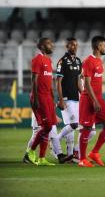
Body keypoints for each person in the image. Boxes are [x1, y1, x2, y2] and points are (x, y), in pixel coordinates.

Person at [24, 38, 66, 166]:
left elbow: (49, 81)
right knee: (46, 127)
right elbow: (34, 80)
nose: (51, 45)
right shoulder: (37, 59)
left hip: (48, 97)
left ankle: (42, 158)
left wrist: (53, 97)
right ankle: (30, 152)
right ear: (42, 46)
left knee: (49, 127)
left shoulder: (48, 60)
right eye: (49, 43)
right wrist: (36, 98)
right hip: (39, 97)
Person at [78, 36, 105, 167]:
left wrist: (98, 100)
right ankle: (82, 159)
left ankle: (94, 153)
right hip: (89, 99)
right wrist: (94, 100)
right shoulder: (88, 61)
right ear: (98, 46)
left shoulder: (99, 61)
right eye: (104, 45)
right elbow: (87, 84)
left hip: (99, 98)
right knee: (86, 128)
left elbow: (82, 77)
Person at [56, 38, 82, 162]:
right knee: (73, 125)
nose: (74, 47)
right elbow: (58, 82)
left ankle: (70, 155)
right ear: (66, 46)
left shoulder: (78, 61)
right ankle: (55, 140)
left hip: (76, 98)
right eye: (72, 45)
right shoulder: (62, 62)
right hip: (66, 98)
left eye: (76, 45)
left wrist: (84, 95)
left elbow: (78, 81)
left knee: (72, 127)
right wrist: (61, 100)